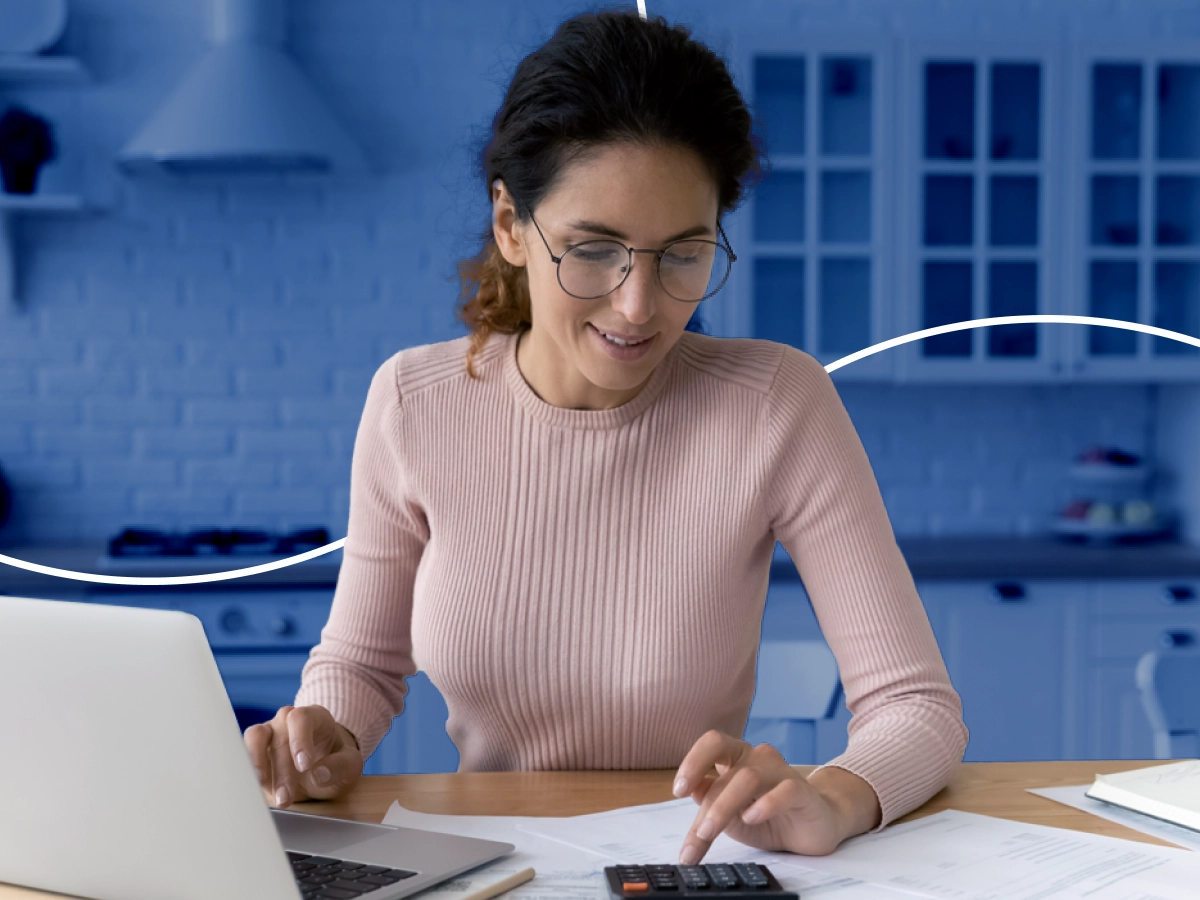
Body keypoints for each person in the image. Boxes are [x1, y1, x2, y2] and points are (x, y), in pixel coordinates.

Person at [244, 6, 968, 864]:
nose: (638, 305)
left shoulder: (779, 402)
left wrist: (834, 801)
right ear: (512, 225)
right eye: (594, 250)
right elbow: (362, 667)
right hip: (491, 866)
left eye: (683, 253)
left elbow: (917, 706)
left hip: (692, 864)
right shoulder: (414, 400)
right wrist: (325, 735)